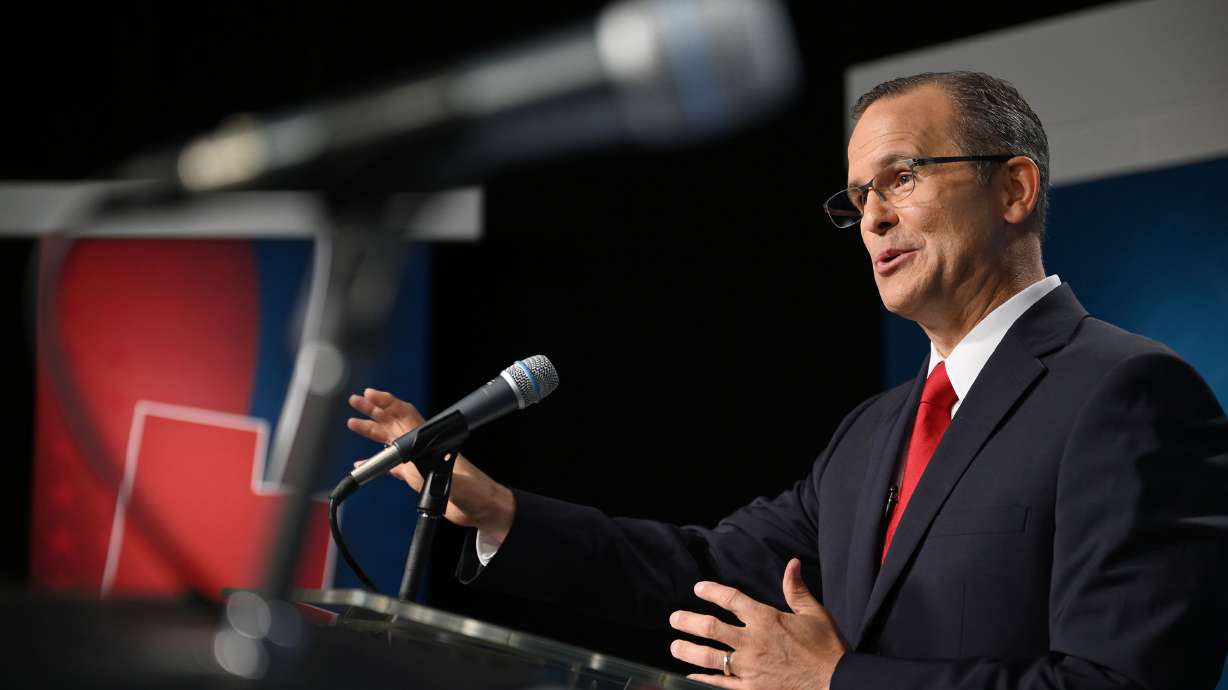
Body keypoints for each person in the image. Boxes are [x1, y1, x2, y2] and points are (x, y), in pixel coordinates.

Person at [346, 72, 1228, 690]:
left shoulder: (1127, 395)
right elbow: (704, 570)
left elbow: (1122, 681)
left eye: (902, 178)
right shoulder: (873, 432)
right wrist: (501, 511)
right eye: (857, 197)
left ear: (1015, 189)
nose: (872, 217)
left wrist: (837, 682)